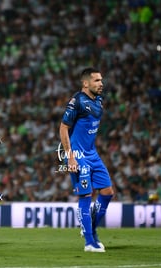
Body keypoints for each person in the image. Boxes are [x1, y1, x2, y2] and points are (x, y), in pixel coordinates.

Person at [59, 67, 114, 253]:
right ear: (86, 83)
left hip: (93, 154)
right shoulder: (77, 102)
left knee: (107, 192)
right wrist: (70, 157)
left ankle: (88, 226)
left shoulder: (98, 100)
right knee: (86, 195)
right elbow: (63, 128)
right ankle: (90, 242)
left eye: (101, 80)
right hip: (78, 156)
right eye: (97, 80)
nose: (101, 83)